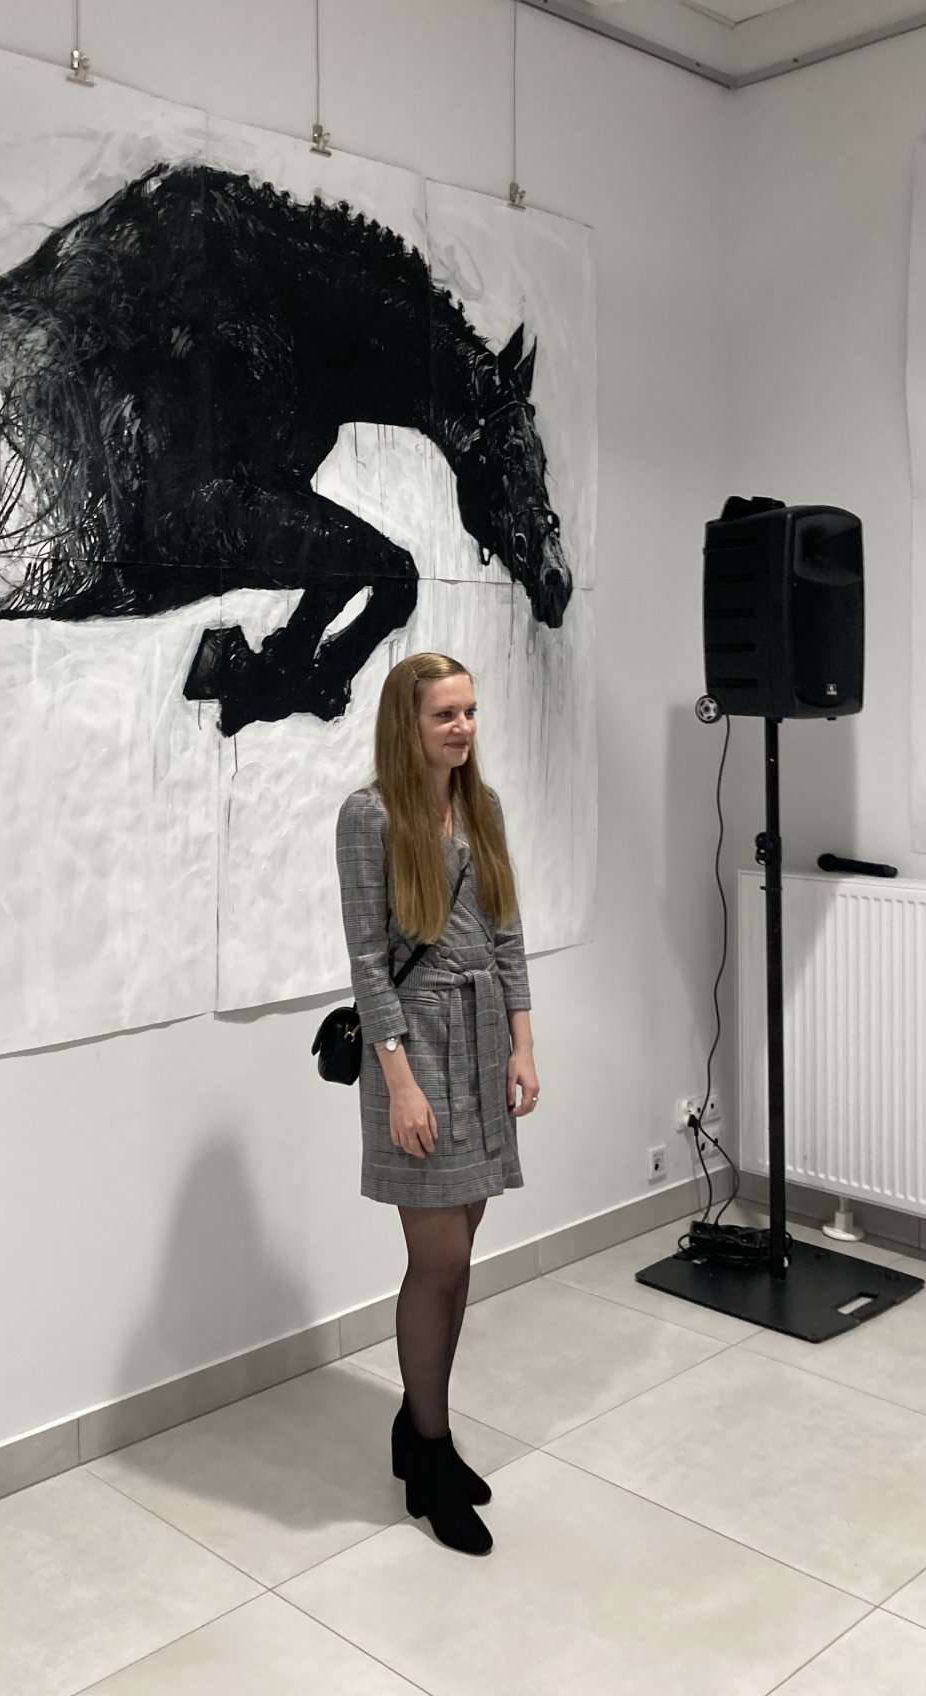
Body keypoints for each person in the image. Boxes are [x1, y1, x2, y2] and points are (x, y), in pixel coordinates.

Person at [335, 651, 540, 1557]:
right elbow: (367, 959)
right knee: (439, 1257)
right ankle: (427, 1449)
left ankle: (426, 1430)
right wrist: (400, 1081)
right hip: (413, 1042)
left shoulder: (480, 805)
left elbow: (507, 934)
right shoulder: (370, 816)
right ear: (406, 723)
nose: (462, 728)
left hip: (483, 1034)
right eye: (444, 715)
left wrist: (522, 1044)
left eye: (469, 713)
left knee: (462, 1255)